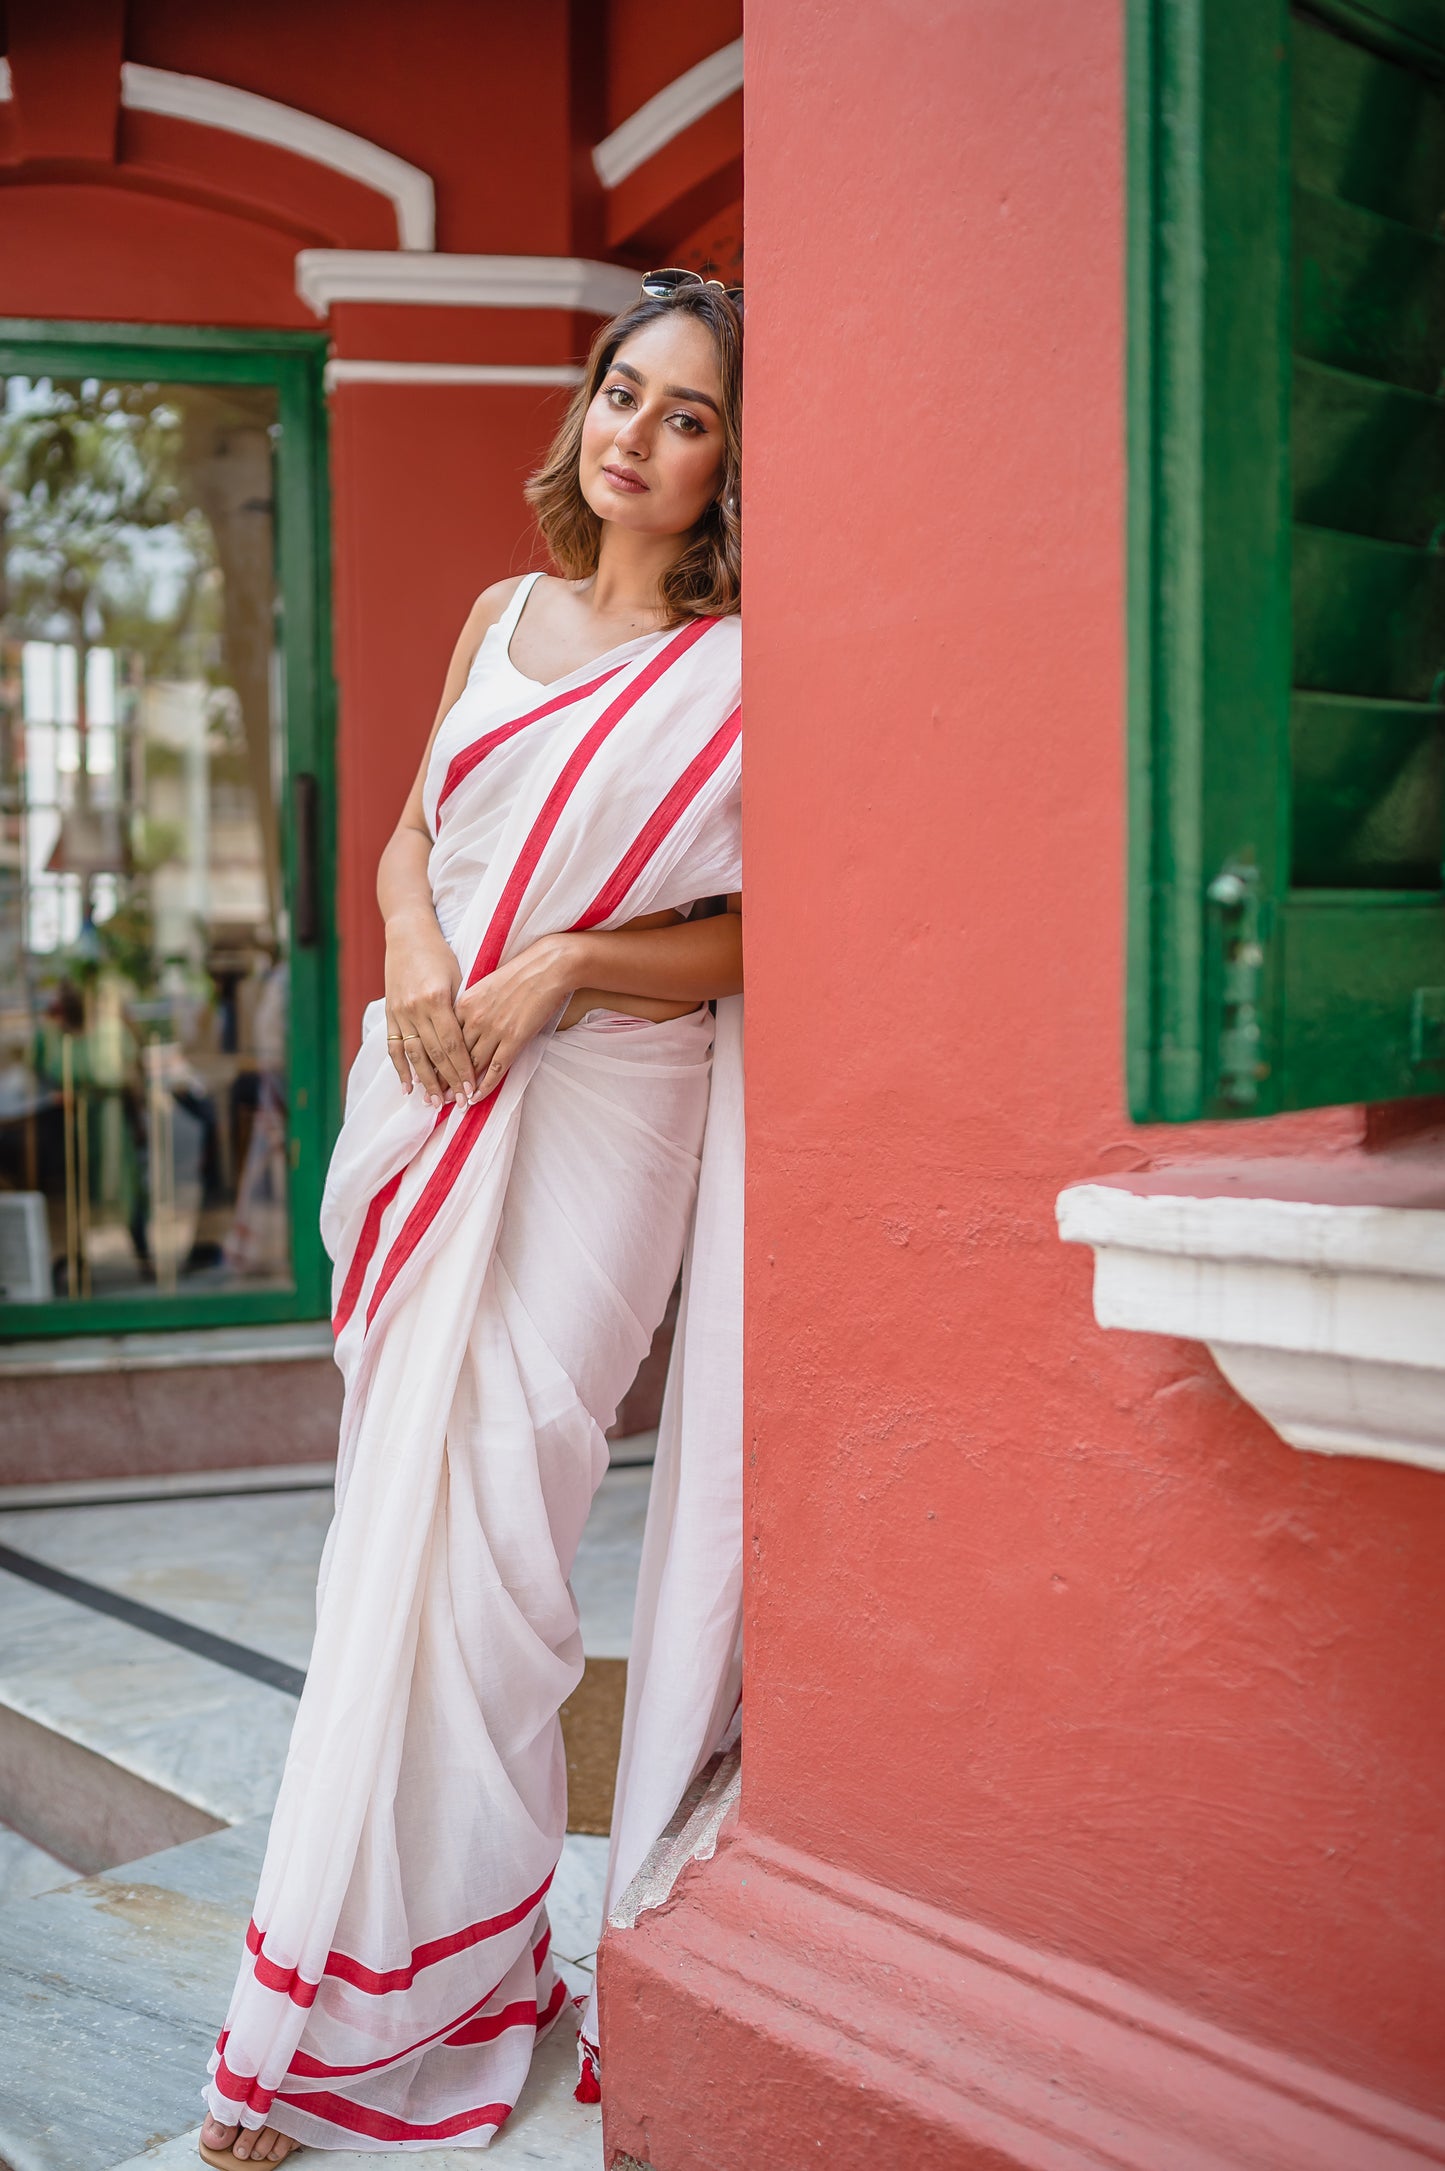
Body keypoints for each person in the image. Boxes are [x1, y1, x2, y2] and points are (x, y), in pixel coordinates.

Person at [196, 271, 745, 2161]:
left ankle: (462, 1967)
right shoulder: (503, 616)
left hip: (600, 1116)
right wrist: (426, 943)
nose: (633, 431)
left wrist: (571, 965)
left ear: (729, 466)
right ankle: (343, 1998)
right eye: (621, 389)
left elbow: (754, 938)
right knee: (393, 1548)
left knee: (507, 1542)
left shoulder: (742, 669)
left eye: (684, 414)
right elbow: (414, 827)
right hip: (437, 1083)